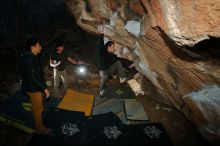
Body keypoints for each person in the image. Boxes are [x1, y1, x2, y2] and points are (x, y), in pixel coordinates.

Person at [20, 37, 51, 134]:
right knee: (38, 110)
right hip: (33, 88)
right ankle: (40, 129)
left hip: (37, 86)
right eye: (38, 46)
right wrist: (45, 88)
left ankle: (39, 119)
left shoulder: (33, 57)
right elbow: (31, 77)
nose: (40, 48)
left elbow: (37, 74)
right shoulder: (28, 59)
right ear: (33, 47)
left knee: (39, 107)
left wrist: (43, 85)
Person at [97, 26, 127, 97]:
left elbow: (120, 61)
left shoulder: (113, 55)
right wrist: (101, 34)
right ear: (108, 47)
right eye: (113, 47)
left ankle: (122, 79)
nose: (114, 48)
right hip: (102, 71)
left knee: (118, 62)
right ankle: (102, 91)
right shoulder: (102, 51)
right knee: (104, 76)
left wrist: (129, 65)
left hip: (110, 70)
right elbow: (100, 44)